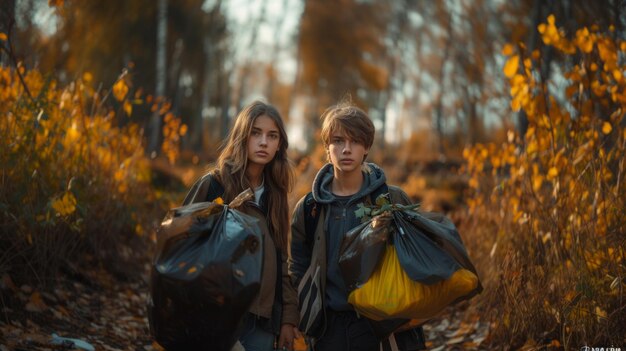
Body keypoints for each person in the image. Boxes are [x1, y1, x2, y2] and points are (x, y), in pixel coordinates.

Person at [290, 101, 426, 351]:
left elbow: (416, 258)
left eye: (355, 141)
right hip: (328, 329)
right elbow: (298, 265)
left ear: (366, 147)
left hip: (380, 328)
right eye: (338, 141)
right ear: (327, 148)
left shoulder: (392, 200)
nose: (346, 149)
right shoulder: (310, 207)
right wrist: (301, 316)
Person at [183, 101, 300, 351]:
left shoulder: (275, 196)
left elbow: (281, 261)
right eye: (255, 133)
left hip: (262, 322)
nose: (263, 142)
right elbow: (184, 252)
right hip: (217, 319)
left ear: (280, 144)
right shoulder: (214, 185)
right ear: (242, 137)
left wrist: (288, 318)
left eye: (272, 136)